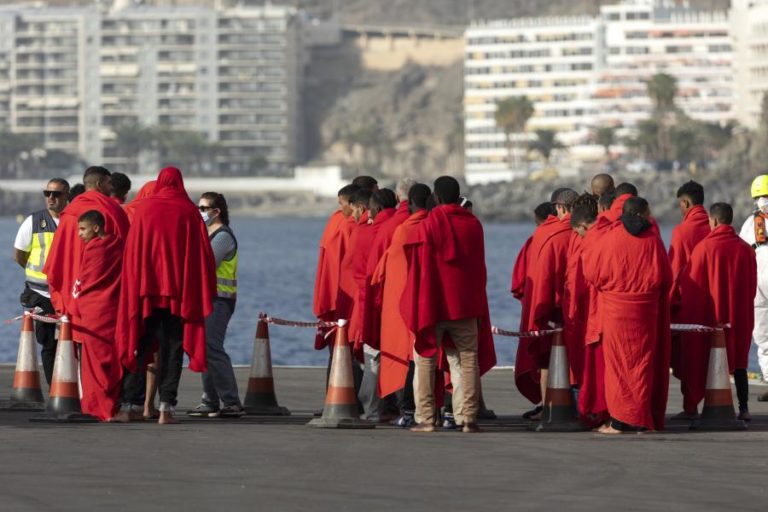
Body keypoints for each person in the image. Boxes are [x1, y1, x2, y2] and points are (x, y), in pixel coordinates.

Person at [114, 167, 216, 424]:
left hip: (146, 291)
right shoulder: (190, 212)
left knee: (140, 345)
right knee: (173, 350)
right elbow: (203, 255)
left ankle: (128, 406)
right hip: (178, 295)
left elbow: (133, 251)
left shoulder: (145, 209)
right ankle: (166, 409)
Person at [402, 176, 497, 433]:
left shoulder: (429, 223)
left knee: (425, 360)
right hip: (465, 305)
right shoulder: (474, 225)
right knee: (467, 361)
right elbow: (478, 267)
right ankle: (467, 418)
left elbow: (419, 267)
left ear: (438, 197)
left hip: (433, 304)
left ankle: (426, 418)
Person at [584, 197, 672, 433]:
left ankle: (620, 421)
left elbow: (591, 272)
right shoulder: (653, 239)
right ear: (643, 214)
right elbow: (665, 277)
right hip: (646, 311)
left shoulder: (610, 237)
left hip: (615, 310)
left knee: (617, 368)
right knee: (642, 366)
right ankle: (641, 419)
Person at [678, 203, 757, 420]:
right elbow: (752, 287)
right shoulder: (746, 250)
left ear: (712, 221)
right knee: (740, 361)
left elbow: (690, 284)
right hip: (739, 316)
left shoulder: (703, 249)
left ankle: (694, 406)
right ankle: (744, 408)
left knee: (704, 358)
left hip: (711, 317)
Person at [44, 167, 129, 345]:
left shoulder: (68, 213)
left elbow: (55, 261)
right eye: (109, 183)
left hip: (71, 295)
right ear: (99, 184)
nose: (111, 187)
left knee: (71, 359)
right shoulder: (113, 211)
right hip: (105, 299)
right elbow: (126, 255)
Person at [515, 188, 576, 419]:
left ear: (559, 208)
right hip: (579, 307)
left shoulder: (545, 235)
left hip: (551, 307)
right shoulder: (587, 231)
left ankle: (547, 408)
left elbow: (534, 277)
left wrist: (537, 309)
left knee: (545, 359)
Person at [373, 183, 431, 428]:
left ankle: (408, 410)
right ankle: (445, 412)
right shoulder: (432, 226)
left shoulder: (397, 229)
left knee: (408, 358)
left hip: (400, 302)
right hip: (429, 300)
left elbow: (377, 273)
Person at [186, 192, 245, 418]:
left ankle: (231, 401)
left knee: (212, 346)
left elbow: (206, 263)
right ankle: (210, 400)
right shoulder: (206, 233)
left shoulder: (222, 236)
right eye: (198, 208)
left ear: (216, 211)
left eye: (204, 208)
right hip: (206, 299)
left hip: (219, 299)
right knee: (205, 347)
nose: (200, 212)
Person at [14, 178, 69, 385]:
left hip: (65, 292)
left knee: (71, 342)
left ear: (67, 196)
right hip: (41, 293)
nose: (51, 198)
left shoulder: (72, 220)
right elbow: (19, 255)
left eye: (56, 194)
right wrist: (36, 273)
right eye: (47, 193)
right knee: (48, 344)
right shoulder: (33, 221)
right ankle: (54, 388)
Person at [71, 210, 124, 421]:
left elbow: (84, 280)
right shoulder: (119, 244)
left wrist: (73, 302)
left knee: (93, 363)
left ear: (96, 227)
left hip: (93, 312)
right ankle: (111, 404)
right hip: (114, 308)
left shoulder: (93, 248)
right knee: (112, 359)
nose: (79, 234)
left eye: (82, 229)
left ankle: (96, 407)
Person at [667, 180, 710, 417]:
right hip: (716, 302)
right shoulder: (715, 226)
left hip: (689, 302)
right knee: (713, 354)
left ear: (686, 202)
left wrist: (668, 302)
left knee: (688, 357)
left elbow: (674, 271)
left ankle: (690, 406)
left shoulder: (682, 232)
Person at [357, 188, 398, 421]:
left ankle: (371, 410)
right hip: (397, 301)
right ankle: (404, 408)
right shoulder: (400, 226)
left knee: (372, 356)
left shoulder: (369, 232)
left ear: (376, 208)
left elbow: (362, 272)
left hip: (374, 301)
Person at [739, 175, 768, 398]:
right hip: (758, 286)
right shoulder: (750, 224)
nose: (763, 200)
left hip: (758, 283)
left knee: (763, 336)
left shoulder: (750, 224)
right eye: (760, 197)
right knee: (762, 335)